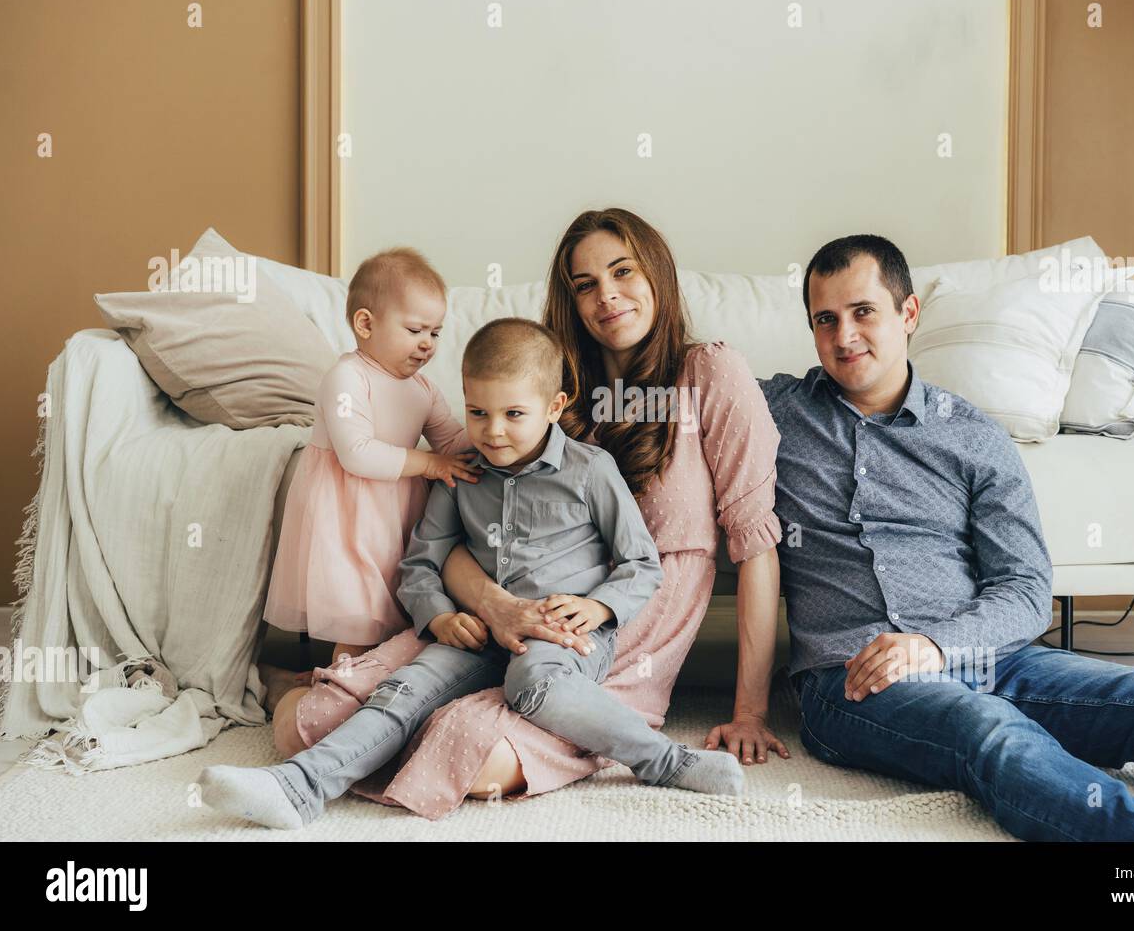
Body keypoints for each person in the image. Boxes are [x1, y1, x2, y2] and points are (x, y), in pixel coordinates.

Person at [761, 232, 1134, 842]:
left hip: (994, 659)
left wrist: (936, 645)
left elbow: (1024, 586)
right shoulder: (777, 411)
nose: (844, 336)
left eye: (863, 313)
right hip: (851, 679)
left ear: (908, 314)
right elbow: (676, 385)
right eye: (824, 320)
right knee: (993, 732)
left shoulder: (973, 434)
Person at [266, 208, 788, 821]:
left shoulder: (709, 373)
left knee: (474, 757)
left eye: (623, 272)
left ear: (659, 275)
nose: (607, 296)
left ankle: (409, 723)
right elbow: (456, 522)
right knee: (304, 724)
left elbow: (755, 540)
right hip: (492, 618)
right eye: (585, 284)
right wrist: (492, 605)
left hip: (618, 631)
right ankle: (302, 698)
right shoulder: (531, 394)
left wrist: (750, 713)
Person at [199, 318, 743, 828]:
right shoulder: (463, 474)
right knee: (403, 689)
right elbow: (420, 562)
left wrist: (598, 607)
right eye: (477, 412)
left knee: (533, 681)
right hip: (475, 632)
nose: (492, 431)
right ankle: (299, 787)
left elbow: (642, 563)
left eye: (513, 414)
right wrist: (437, 618)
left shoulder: (589, 470)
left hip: (562, 636)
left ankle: (664, 761)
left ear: (554, 406)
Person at [262, 248, 480, 668]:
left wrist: (495, 437)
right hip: (347, 519)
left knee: (395, 615)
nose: (427, 344)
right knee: (359, 621)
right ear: (365, 323)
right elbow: (357, 453)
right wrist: (431, 464)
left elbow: (451, 441)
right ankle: (337, 687)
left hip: (397, 516)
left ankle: (375, 689)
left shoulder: (422, 388)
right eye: (416, 329)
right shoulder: (347, 377)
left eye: (435, 333)